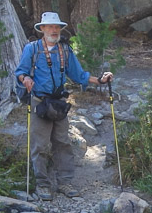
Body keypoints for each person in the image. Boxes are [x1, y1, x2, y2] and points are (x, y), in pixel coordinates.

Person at [14, 11, 112, 194]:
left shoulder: (65, 50)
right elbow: (20, 71)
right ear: (42, 29)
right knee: (39, 145)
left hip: (59, 103)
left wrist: (100, 80)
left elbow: (78, 75)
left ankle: (65, 182)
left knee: (63, 142)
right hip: (39, 102)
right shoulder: (32, 49)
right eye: (50, 27)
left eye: (57, 27)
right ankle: (42, 185)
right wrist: (25, 79)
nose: (54, 30)